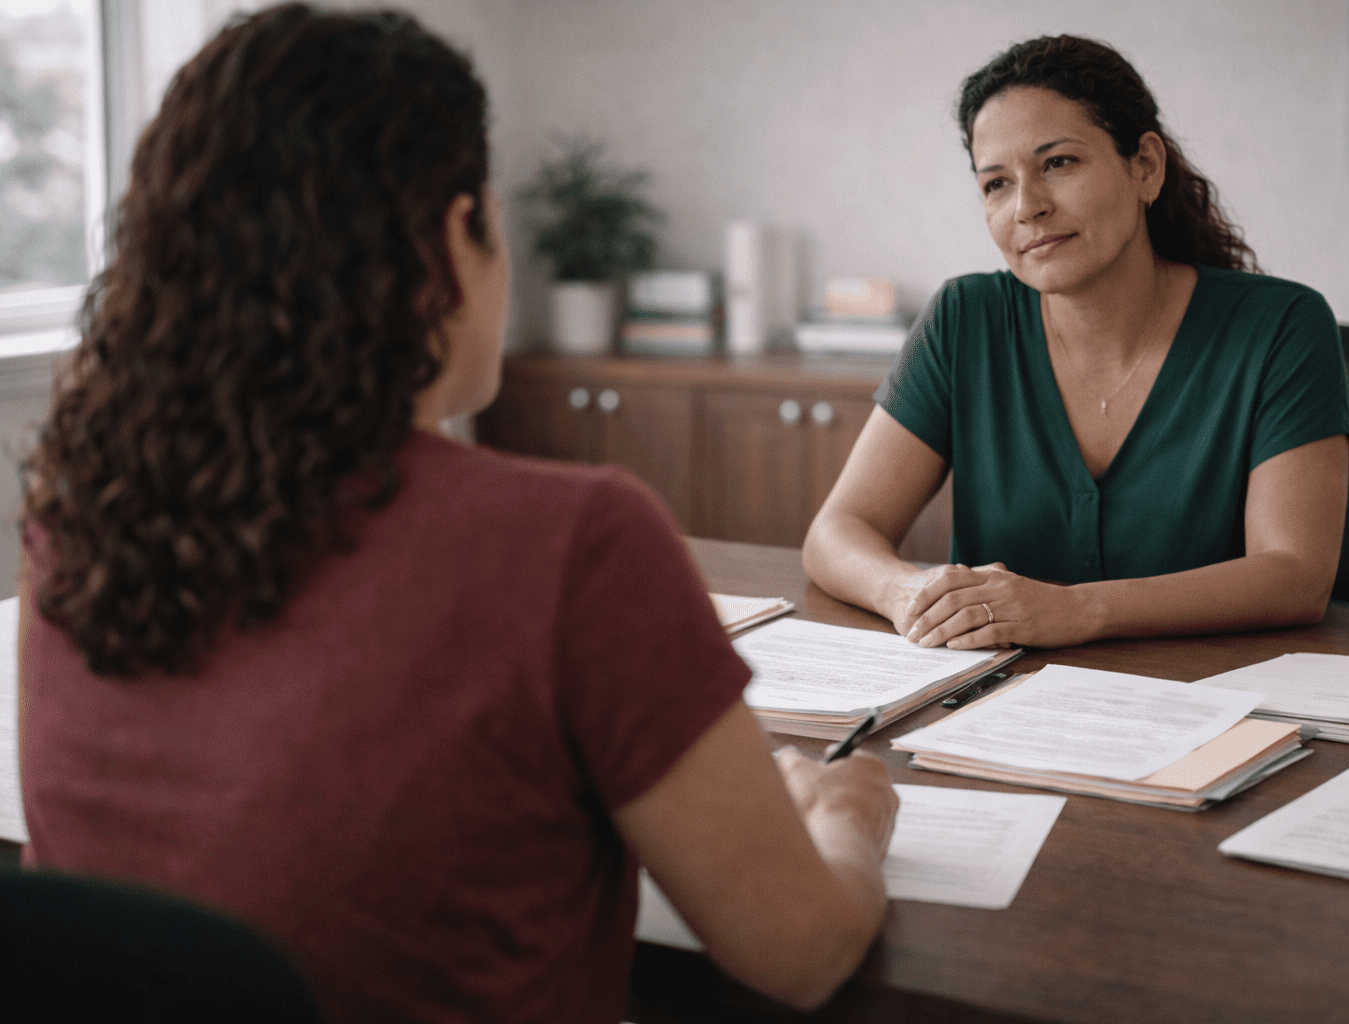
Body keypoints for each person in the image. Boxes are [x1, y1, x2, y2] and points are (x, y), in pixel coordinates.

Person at [17, 6, 897, 1024]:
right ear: (453, 236)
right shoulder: (575, 545)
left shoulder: (74, 516)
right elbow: (801, 950)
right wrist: (851, 814)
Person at [804, 34, 1349, 651]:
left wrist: (1078, 610)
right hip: (994, 708)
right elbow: (838, 530)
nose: (1028, 207)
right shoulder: (965, 318)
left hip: (1214, 704)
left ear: (1145, 167)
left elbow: (1296, 576)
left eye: (1058, 163)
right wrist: (905, 592)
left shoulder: (1282, 325)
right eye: (996, 184)